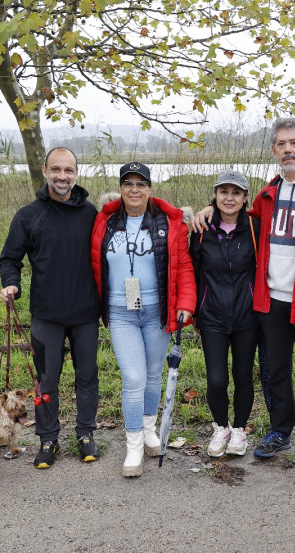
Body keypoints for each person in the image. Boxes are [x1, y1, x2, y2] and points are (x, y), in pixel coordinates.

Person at [192, 117, 295, 470]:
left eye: (294, 143)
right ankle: (280, 429)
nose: (288, 149)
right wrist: (208, 210)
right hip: (269, 299)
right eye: (281, 144)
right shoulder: (268, 194)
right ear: (274, 151)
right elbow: (239, 218)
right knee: (274, 370)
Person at [90, 162, 195, 478]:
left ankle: (150, 430)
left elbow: (184, 268)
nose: (134, 189)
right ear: (121, 188)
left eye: (141, 184)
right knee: (133, 378)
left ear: (150, 189)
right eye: (128, 183)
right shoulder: (104, 222)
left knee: (152, 375)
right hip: (121, 313)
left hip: (157, 313)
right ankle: (134, 443)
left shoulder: (168, 223)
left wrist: (186, 304)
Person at [0, 147, 101, 469]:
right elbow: (9, 258)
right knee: (46, 381)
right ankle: (48, 438)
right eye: (56, 170)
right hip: (46, 315)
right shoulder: (28, 215)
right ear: (45, 171)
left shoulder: (91, 213)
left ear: (76, 174)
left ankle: (85, 434)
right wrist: (11, 282)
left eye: (68, 170)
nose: (62, 176)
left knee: (87, 377)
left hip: (85, 313)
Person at [189, 170, 260, 457]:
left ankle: (240, 430)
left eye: (236, 193)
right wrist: (194, 311)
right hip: (212, 316)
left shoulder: (255, 227)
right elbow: (191, 271)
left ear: (245, 198)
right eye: (223, 192)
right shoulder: (201, 228)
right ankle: (221, 427)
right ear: (215, 196)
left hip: (247, 316)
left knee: (242, 374)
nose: (229, 198)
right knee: (216, 378)